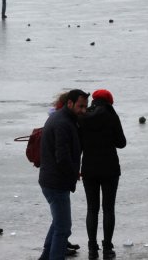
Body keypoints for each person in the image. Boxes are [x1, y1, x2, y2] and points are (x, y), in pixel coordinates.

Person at [38, 89, 89, 260]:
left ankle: (45, 256)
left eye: (85, 107)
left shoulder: (64, 118)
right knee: (64, 227)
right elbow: (62, 157)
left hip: (51, 180)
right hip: (55, 183)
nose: (83, 110)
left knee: (58, 223)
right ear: (70, 103)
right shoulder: (63, 123)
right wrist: (75, 173)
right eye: (80, 106)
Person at [78, 89, 127, 259]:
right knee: (108, 208)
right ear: (109, 101)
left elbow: (78, 144)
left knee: (92, 209)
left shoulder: (83, 116)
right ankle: (107, 247)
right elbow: (121, 143)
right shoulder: (111, 115)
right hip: (110, 168)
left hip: (89, 168)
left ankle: (92, 248)